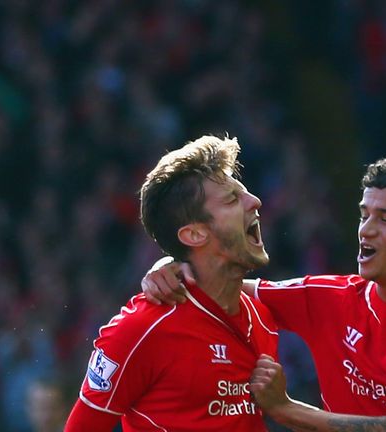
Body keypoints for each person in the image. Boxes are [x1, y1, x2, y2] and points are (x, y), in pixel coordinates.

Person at [143, 152, 386, 431]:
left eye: (385, 220)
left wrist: (286, 409)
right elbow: (219, 286)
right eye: (364, 215)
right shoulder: (330, 298)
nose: (366, 231)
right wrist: (173, 268)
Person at [64, 135, 279, 431]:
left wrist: (285, 407)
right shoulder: (141, 329)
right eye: (232, 199)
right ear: (194, 235)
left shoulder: (262, 317)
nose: (255, 201)